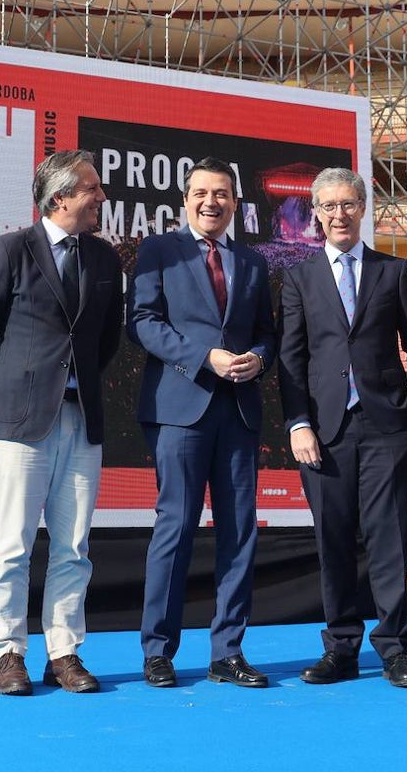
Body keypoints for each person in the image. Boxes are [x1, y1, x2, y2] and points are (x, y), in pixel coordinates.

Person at [0, 149, 124, 696]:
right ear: (61, 198)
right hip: (19, 424)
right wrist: (13, 392)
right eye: (92, 189)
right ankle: (8, 654)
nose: (102, 197)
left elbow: (105, 343)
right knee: (14, 543)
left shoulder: (103, 259)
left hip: (82, 420)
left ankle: (64, 651)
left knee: (74, 545)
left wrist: (69, 388)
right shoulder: (10, 250)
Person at [277, 167, 407, 689]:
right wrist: (299, 422)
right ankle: (340, 648)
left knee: (388, 540)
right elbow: (291, 358)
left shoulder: (394, 271)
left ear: (363, 208)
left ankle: (394, 649)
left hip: (389, 427)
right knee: (334, 541)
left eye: (348, 204)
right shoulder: (299, 277)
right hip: (323, 431)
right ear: (316, 214)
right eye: (328, 206)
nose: (338, 214)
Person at [129, 156, 277, 689]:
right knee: (176, 527)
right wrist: (204, 357)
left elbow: (267, 332)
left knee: (240, 532)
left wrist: (259, 357)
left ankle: (227, 653)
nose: (211, 202)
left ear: (235, 203)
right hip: (179, 409)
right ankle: (158, 651)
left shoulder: (253, 262)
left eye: (221, 194)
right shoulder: (158, 250)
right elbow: (142, 321)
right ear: (184, 200)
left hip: (238, 412)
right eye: (201, 193)